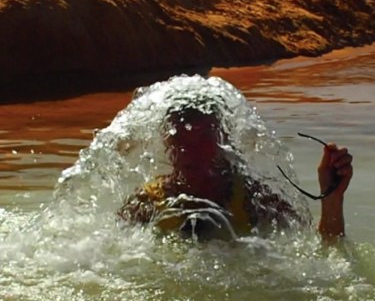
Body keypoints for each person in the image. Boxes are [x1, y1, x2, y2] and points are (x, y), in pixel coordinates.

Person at [119, 102, 353, 242]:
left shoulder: (253, 200)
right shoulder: (146, 205)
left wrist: (331, 198)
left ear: (223, 141)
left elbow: (324, 250)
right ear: (168, 144)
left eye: (203, 138)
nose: (191, 150)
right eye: (181, 138)